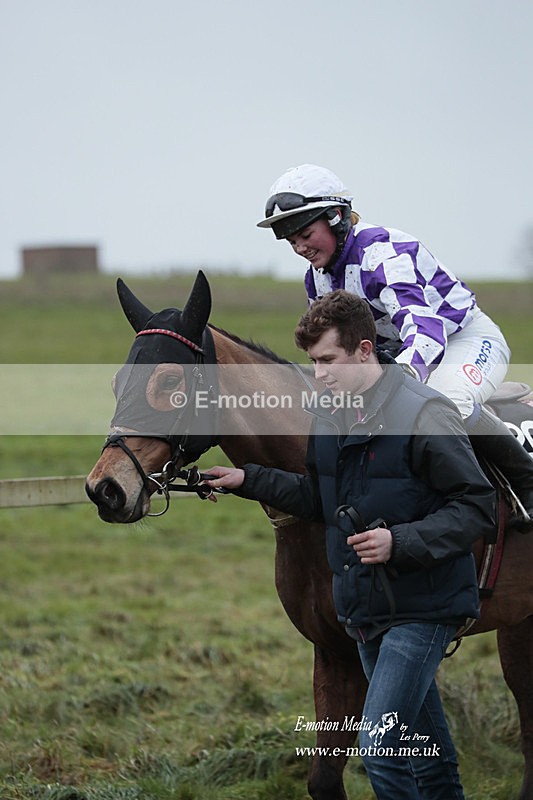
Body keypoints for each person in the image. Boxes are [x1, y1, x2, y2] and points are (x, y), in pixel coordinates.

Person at [203, 290, 495, 800]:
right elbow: (320, 498)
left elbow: (476, 505)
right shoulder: (331, 416)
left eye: (328, 360)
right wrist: (247, 479)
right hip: (366, 608)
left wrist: (398, 541)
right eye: (313, 362)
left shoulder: (425, 413)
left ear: (364, 350)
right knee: (426, 756)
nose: (319, 375)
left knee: (381, 748)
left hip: (423, 607)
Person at [256, 163, 533, 525]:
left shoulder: (383, 253)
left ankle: (526, 483)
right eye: (292, 241)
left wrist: (397, 382)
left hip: (462, 339)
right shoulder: (317, 277)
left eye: (306, 234)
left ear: (336, 217)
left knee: (447, 403)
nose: (300, 247)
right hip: (396, 352)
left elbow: (425, 329)